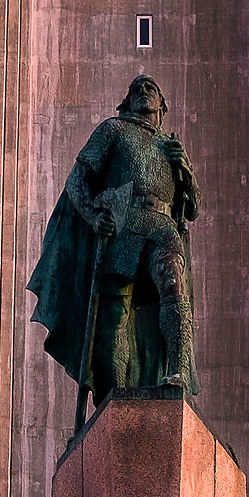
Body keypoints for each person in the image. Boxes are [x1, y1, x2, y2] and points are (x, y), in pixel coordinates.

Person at [28, 75, 199, 403]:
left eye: (151, 88)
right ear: (128, 102)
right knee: (115, 313)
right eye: (137, 88)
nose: (144, 90)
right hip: (124, 224)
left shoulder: (172, 146)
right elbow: (78, 179)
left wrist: (186, 172)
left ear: (162, 105)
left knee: (173, 284)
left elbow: (192, 208)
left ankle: (176, 370)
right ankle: (113, 396)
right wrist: (94, 216)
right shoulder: (114, 130)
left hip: (162, 225)